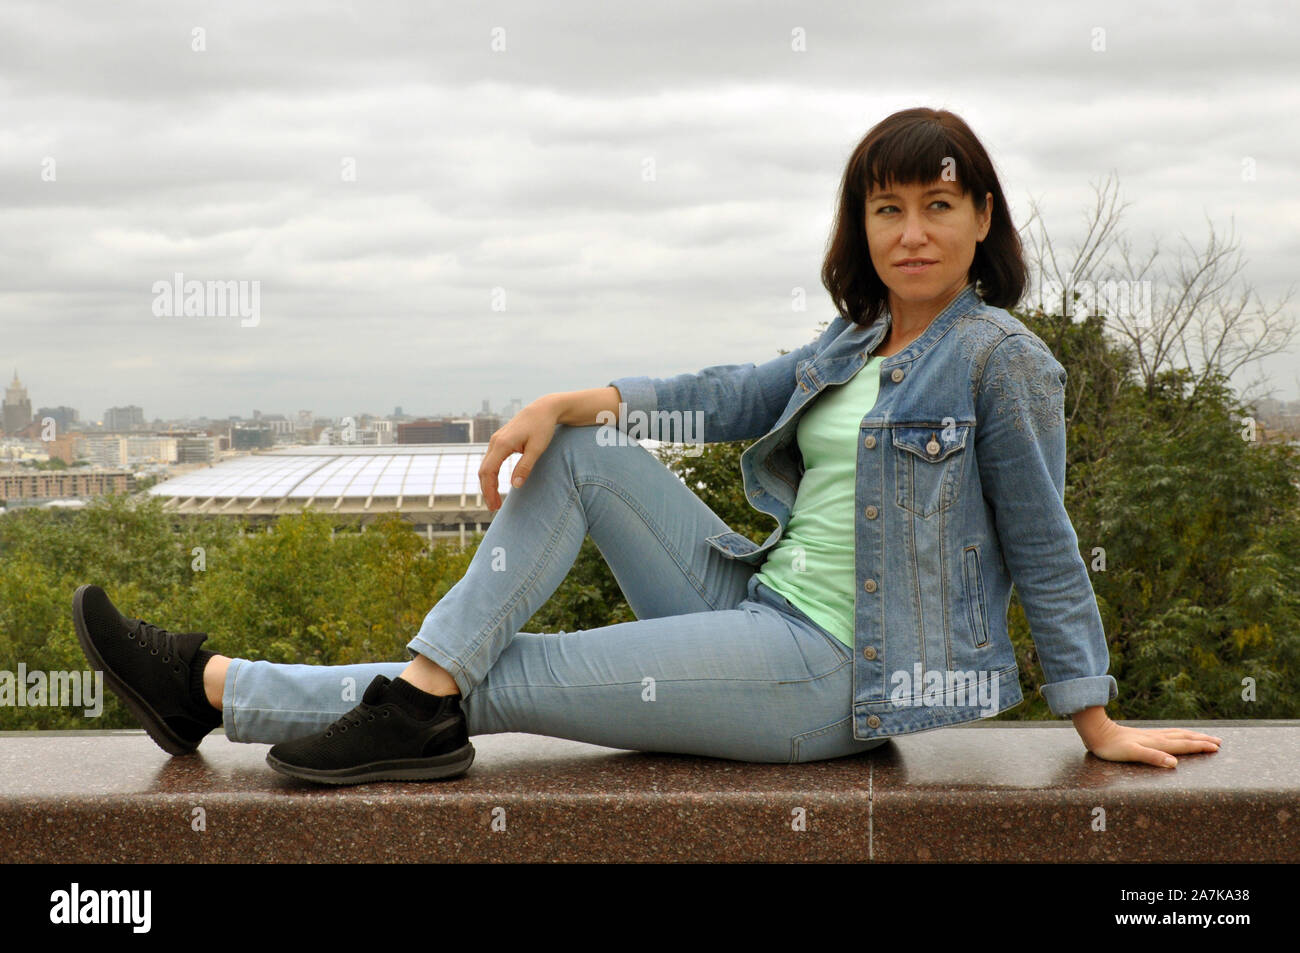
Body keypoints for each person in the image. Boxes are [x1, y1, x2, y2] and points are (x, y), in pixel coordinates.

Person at [73, 106, 1221, 785]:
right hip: (756, 604)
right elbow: (725, 395)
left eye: (936, 204)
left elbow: (1045, 539)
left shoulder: (999, 360)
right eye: (886, 208)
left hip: (835, 672)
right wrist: (583, 394)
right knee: (580, 449)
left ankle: (212, 687)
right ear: (859, 225)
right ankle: (413, 691)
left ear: (982, 219)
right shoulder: (853, 340)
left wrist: (1094, 715)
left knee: (504, 673)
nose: (909, 231)